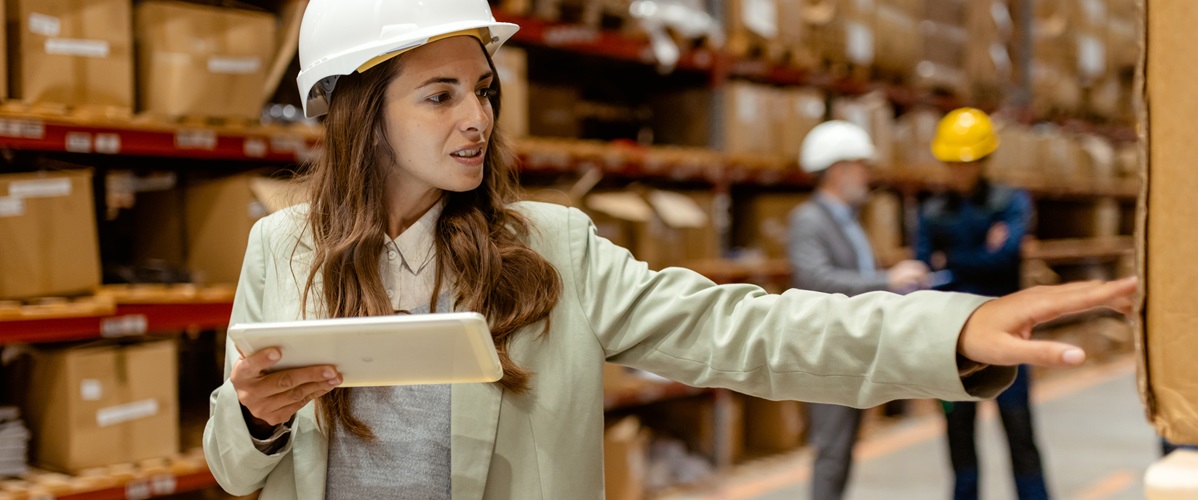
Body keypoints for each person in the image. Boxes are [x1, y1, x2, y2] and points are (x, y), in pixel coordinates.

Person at [202, 3, 1136, 498]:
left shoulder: (552, 253)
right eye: (440, 95)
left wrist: (955, 330)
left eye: (483, 90)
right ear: (360, 113)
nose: (478, 118)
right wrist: (256, 419)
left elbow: (746, 334)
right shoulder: (281, 252)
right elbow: (234, 466)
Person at [787, 120, 929, 500]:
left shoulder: (847, 221)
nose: (867, 174)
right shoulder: (809, 219)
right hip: (826, 352)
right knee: (831, 452)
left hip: (851, 349)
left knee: (844, 449)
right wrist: (887, 281)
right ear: (838, 169)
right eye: (861, 166)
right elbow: (813, 278)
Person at [916, 107, 1049, 500]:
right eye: (952, 163)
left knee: (1019, 430)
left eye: (966, 163)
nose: (958, 171)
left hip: (1007, 329)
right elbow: (927, 268)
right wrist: (978, 254)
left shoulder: (1010, 202)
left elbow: (1005, 258)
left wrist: (952, 261)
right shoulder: (932, 210)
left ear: (984, 159)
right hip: (951, 337)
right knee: (959, 436)